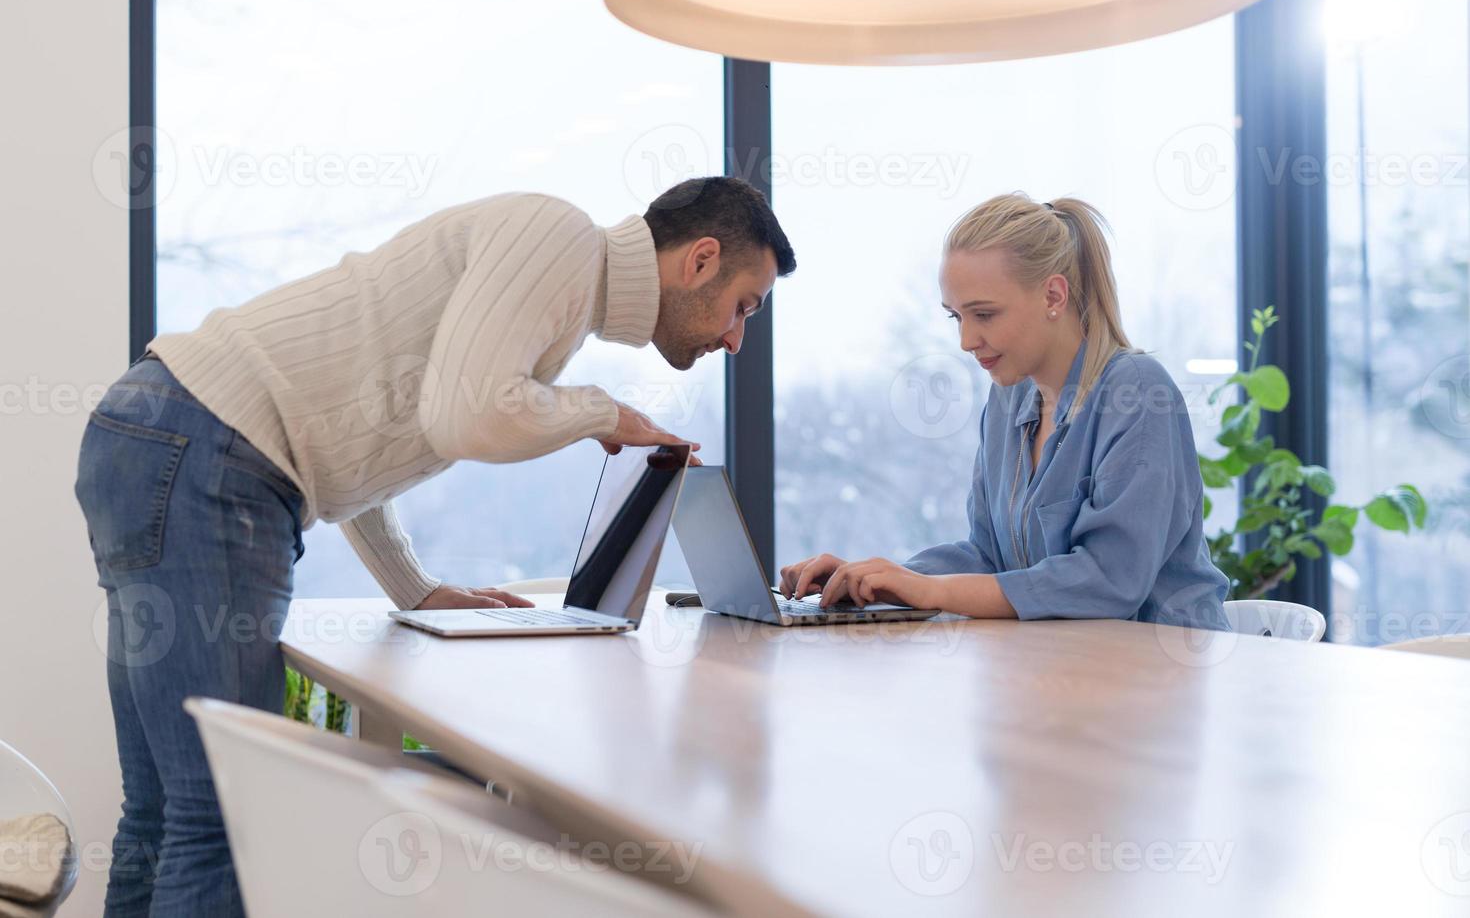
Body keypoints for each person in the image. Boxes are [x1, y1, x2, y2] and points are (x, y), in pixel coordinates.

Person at [73, 176, 796, 917]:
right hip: (208, 451)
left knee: (162, 811)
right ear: (700, 259)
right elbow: (466, 418)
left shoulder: (562, 285)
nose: (737, 338)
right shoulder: (563, 242)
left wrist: (412, 587)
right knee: (215, 811)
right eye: (745, 306)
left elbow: (367, 437)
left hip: (158, 434)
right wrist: (603, 413)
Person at [779, 193, 1228, 632]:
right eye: (956, 317)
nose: (966, 340)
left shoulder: (1137, 391)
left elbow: (1109, 581)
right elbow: (990, 557)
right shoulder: (1009, 397)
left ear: (1054, 295)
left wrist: (930, 591)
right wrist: (879, 580)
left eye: (985, 315)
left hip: (1162, 673)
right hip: (1061, 670)